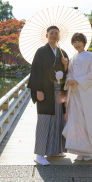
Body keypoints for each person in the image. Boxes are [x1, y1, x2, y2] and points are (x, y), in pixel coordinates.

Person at [28, 25, 69, 165]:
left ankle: (55, 150)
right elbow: (35, 71)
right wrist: (38, 89)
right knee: (44, 120)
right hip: (45, 91)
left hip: (59, 91)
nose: (53, 35)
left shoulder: (62, 53)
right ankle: (39, 154)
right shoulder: (41, 52)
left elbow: (67, 74)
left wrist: (65, 65)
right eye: (51, 33)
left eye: (56, 33)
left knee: (59, 120)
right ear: (47, 35)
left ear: (59, 37)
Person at [62, 32, 92, 161]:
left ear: (84, 43)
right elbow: (69, 73)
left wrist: (77, 80)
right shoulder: (73, 57)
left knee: (88, 120)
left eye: (79, 42)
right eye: (74, 42)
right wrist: (69, 79)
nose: (76, 44)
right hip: (75, 93)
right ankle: (81, 150)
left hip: (86, 94)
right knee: (77, 121)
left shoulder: (89, 56)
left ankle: (91, 152)